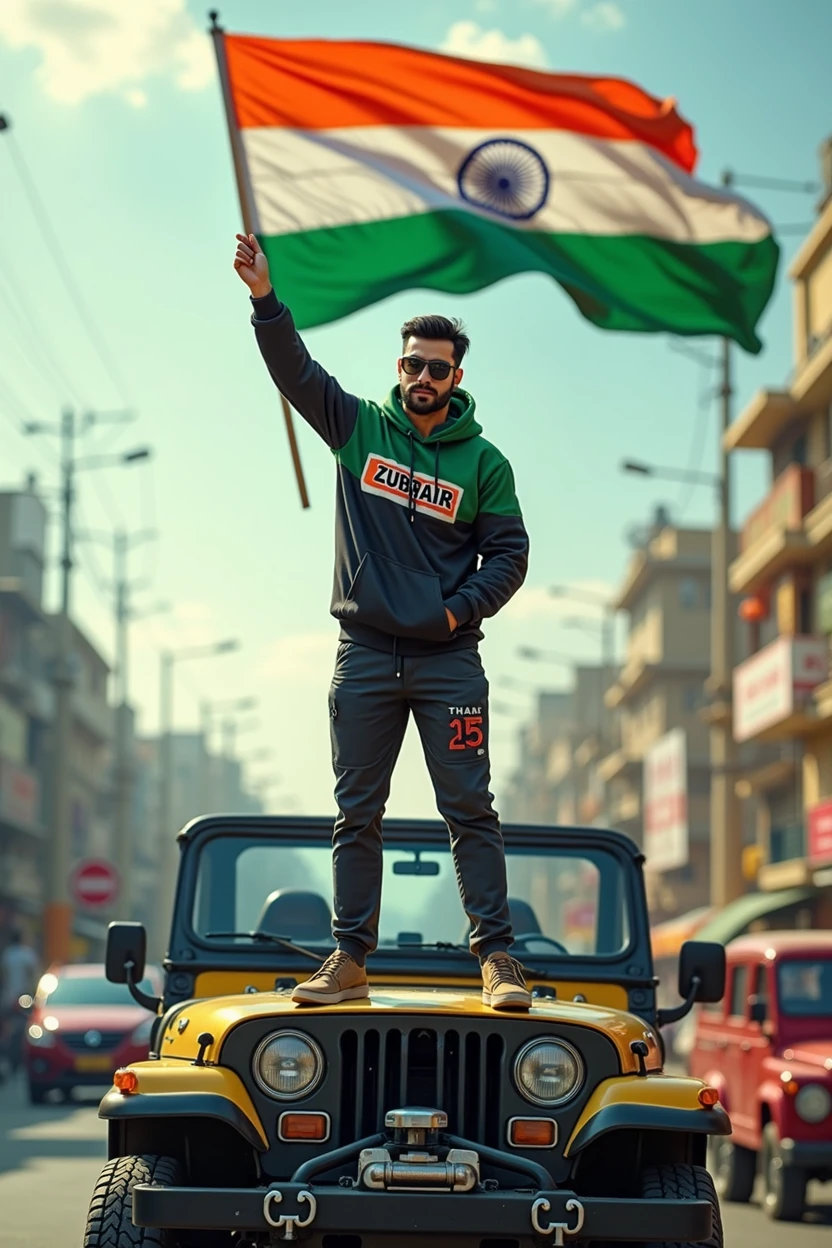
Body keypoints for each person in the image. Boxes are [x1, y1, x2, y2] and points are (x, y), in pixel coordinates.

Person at [234, 233, 531, 1011]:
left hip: (449, 662)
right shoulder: (358, 426)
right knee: (356, 812)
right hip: (363, 654)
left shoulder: (485, 464)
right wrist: (266, 299)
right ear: (397, 367)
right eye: (412, 364)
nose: (423, 377)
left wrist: (454, 609)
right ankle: (349, 957)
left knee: (469, 808)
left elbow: (509, 556)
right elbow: (292, 371)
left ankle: (497, 960)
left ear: (456, 376)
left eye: (437, 367)